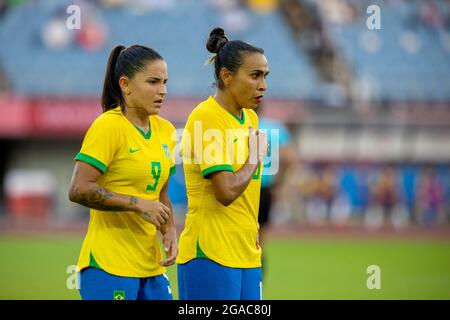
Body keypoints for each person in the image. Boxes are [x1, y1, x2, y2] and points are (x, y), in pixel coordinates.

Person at [68, 44, 178, 300]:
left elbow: (161, 193)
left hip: (151, 266)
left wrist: (169, 229)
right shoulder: (108, 126)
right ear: (125, 84)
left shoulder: (167, 131)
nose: (162, 91)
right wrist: (137, 204)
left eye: (165, 82)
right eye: (153, 82)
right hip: (109, 265)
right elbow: (78, 189)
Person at [177, 27, 269, 300]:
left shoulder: (250, 118)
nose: (262, 84)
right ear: (226, 76)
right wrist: (254, 158)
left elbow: (246, 193)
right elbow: (226, 192)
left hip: (246, 252)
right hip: (210, 252)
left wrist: (250, 228)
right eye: (255, 75)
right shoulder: (207, 117)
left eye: (265, 76)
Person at [255, 105, 296, 277]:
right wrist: (278, 183)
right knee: (260, 240)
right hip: (265, 189)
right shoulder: (275, 128)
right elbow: (289, 159)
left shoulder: (237, 127)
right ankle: (258, 284)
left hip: (240, 187)